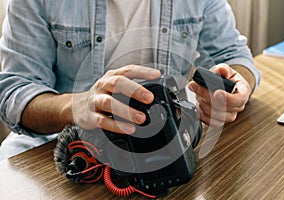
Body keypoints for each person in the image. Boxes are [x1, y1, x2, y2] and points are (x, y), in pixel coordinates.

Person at [0, 0, 261, 160]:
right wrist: (77, 106)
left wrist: (238, 84)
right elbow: (14, 91)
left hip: (165, 140)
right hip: (58, 146)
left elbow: (233, 55)